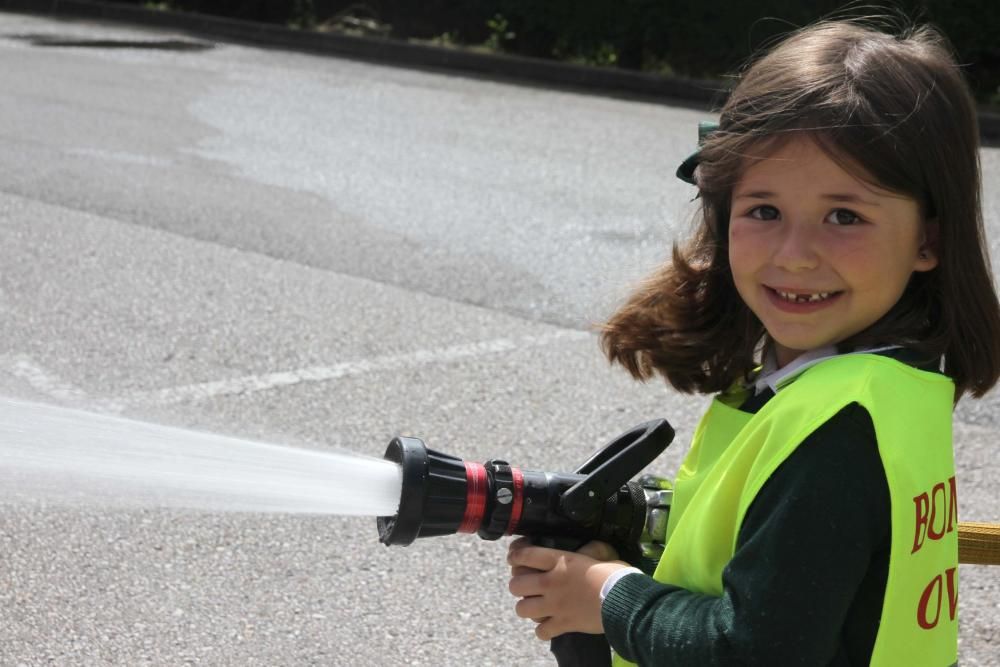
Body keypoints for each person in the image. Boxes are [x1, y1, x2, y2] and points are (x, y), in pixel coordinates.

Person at [506, 17, 1000, 667]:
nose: (794, 256)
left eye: (844, 216)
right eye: (763, 210)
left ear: (928, 239)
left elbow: (756, 650)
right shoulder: (875, 384)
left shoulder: (838, 425)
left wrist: (606, 594)